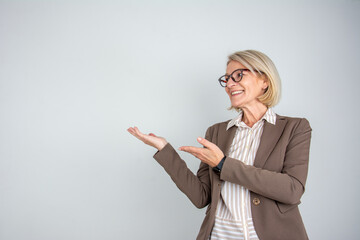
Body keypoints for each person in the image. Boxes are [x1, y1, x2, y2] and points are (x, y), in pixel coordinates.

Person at [127, 50, 312, 240]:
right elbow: (201, 197)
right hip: (220, 235)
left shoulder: (294, 128)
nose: (230, 84)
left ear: (264, 80)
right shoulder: (216, 132)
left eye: (239, 75)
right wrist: (164, 149)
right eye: (227, 79)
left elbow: (292, 190)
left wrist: (223, 164)